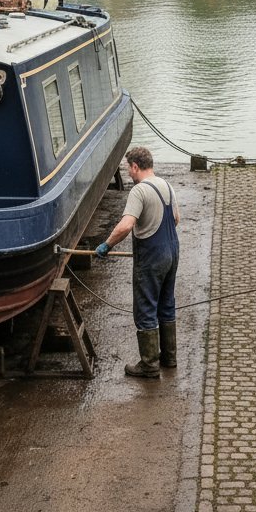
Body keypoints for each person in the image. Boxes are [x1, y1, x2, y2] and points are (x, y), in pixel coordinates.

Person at [96, 146, 179, 378]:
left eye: (128, 168)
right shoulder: (168, 186)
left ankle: (149, 364)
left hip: (152, 256)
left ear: (135, 166)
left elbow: (126, 226)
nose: (128, 173)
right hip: (173, 252)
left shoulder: (139, 190)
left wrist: (107, 245)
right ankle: (169, 357)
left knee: (145, 307)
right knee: (166, 303)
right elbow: (176, 219)